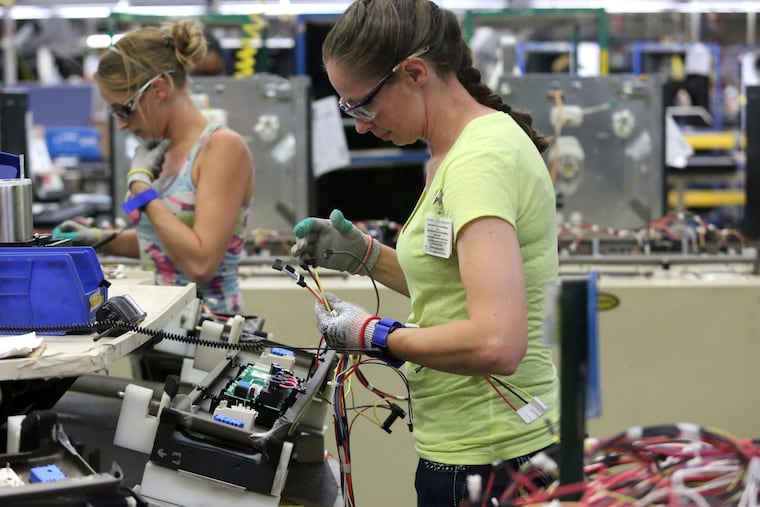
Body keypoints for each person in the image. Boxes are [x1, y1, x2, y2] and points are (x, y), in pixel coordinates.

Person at [290, 1, 560, 506]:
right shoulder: (449, 154)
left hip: (489, 455)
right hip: (472, 446)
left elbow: (497, 343)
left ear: (414, 73)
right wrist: (366, 255)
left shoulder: (478, 162)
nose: (362, 126)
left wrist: (374, 336)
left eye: (362, 105)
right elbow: (458, 285)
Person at [54, 19, 255, 315]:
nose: (122, 124)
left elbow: (200, 264)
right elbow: (166, 242)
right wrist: (100, 240)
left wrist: (142, 190)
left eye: (125, 109)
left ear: (158, 89)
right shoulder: (158, 151)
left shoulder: (221, 148)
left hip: (208, 336)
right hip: (157, 325)